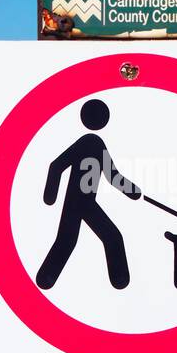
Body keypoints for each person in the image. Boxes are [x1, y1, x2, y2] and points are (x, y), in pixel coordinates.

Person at [36, 99, 140, 290]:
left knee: (78, 240)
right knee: (91, 239)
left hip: (85, 202)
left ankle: (119, 279)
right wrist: (50, 195)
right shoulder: (88, 142)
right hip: (77, 201)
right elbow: (56, 166)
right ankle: (45, 278)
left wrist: (132, 191)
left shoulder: (96, 144)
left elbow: (112, 175)